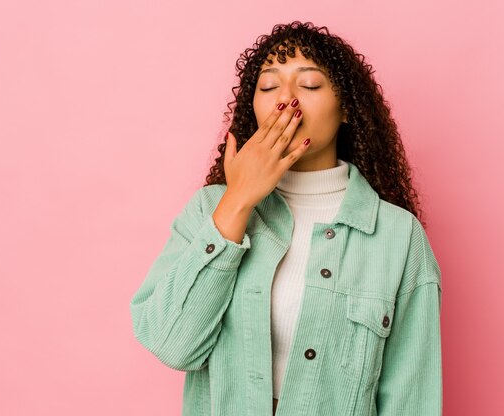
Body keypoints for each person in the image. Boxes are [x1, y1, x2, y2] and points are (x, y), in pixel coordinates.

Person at [129, 21, 443, 416]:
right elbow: (172, 344)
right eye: (268, 87)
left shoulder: (398, 236)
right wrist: (238, 200)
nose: (285, 101)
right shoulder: (209, 210)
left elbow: (411, 401)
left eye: (309, 85)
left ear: (346, 107)